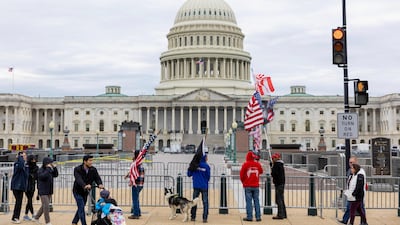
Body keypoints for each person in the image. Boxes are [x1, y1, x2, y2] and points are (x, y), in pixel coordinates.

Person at [72, 155, 104, 225]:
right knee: (81, 207)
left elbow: (97, 178)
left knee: (81, 206)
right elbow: (78, 179)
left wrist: (100, 184)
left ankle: (74, 222)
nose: (91, 162)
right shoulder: (77, 169)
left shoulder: (93, 169)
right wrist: (84, 185)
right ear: (85, 161)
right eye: (90, 160)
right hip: (77, 191)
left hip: (85, 192)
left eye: (92, 160)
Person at [338, 156, 367, 224]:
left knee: (356, 209)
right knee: (351, 208)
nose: (350, 164)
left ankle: (360, 222)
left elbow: (359, 185)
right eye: (349, 162)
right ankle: (346, 220)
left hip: (357, 195)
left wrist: (354, 193)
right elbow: (350, 181)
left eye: (352, 162)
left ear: (356, 162)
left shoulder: (360, 173)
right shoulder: (351, 171)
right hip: (351, 194)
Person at [32, 157, 59, 225]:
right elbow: (43, 176)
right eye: (50, 163)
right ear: (46, 163)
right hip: (43, 190)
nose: (51, 164)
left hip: (49, 190)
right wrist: (48, 168)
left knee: (44, 205)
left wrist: (54, 167)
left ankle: (36, 217)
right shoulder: (41, 170)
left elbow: (55, 175)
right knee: (46, 206)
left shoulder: (50, 170)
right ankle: (48, 222)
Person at [240, 151, 264, 222]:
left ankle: (249, 216)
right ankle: (258, 216)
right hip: (256, 185)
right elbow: (261, 171)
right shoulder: (257, 164)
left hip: (248, 185)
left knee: (249, 202)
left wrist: (244, 182)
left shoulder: (245, 164)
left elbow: (241, 175)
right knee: (256, 201)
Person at [187, 153, 210, 223]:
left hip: (196, 185)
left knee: (194, 202)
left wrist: (190, 168)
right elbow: (208, 176)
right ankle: (205, 218)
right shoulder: (206, 166)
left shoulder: (194, 165)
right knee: (205, 202)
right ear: (205, 158)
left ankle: (193, 216)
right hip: (204, 186)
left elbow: (189, 174)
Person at [125, 150, 145, 220]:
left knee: (135, 200)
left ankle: (136, 214)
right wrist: (128, 175)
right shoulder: (140, 163)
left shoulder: (136, 164)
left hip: (136, 184)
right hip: (140, 184)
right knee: (136, 199)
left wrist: (131, 181)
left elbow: (135, 175)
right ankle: (138, 212)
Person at [11, 151, 29, 224]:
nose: (24, 157)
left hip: (21, 186)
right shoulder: (17, 164)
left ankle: (15, 217)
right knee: (18, 202)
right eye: (22, 156)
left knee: (19, 202)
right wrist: (20, 157)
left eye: (24, 156)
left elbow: (26, 175)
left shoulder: (25, 166)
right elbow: (21, 166)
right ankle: (15, 217)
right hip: (16, 186)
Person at [271, 152, 287, 220]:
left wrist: (272, 167)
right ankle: (284, 213)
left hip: (278, 184)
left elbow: (274, 174)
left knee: (279, 200)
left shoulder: (277, 165)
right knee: (281, 199)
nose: (272, 159)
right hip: (281, 183)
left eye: (273, 158)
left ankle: (280, 214)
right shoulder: (281, 164)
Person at [23, 154, 39, 221]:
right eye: (33, 159)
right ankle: (32, 214)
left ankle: (26, 215)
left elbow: (36, 176)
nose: (34, 160)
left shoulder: (36, 167)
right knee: (29, 200)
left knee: (29, 200)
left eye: (34, 159)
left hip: (32, 185)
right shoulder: (26, 166)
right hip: (26, 185)